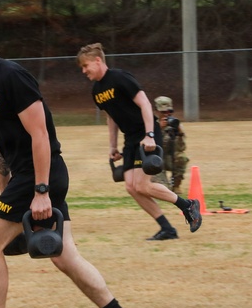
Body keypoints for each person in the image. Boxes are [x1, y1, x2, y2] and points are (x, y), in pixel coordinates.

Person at [0, 10, 142, 308]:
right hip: (23, 178)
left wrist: (40, 190)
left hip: (41, 176)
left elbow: (41, 134)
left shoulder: (12, 76)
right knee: (65, 257)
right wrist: (2, 184)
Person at [77, 43, 202, 241]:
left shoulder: (120, 78)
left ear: (97, 61)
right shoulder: (97, 91)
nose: (84, 71)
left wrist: (150, 135)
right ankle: (167, 229)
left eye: (85, 66)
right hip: (130, 139)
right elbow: (112, 118)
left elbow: (144, 103)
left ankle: (188, 205)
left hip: (146, 134)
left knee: (142, 186)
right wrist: (112, 146)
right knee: (131, 186)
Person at [151, 96, 189, 193]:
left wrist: (180, 134)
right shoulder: (150, 124)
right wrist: (159, 129)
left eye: (169, 111)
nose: (166, 114)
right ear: (156, 111)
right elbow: (148, 146)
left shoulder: (175, 124)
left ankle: (176, 185)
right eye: (163, 112)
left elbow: (181, 148)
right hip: (155, 159)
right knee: (164, 191)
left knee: (181, 157)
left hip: (169, 158)